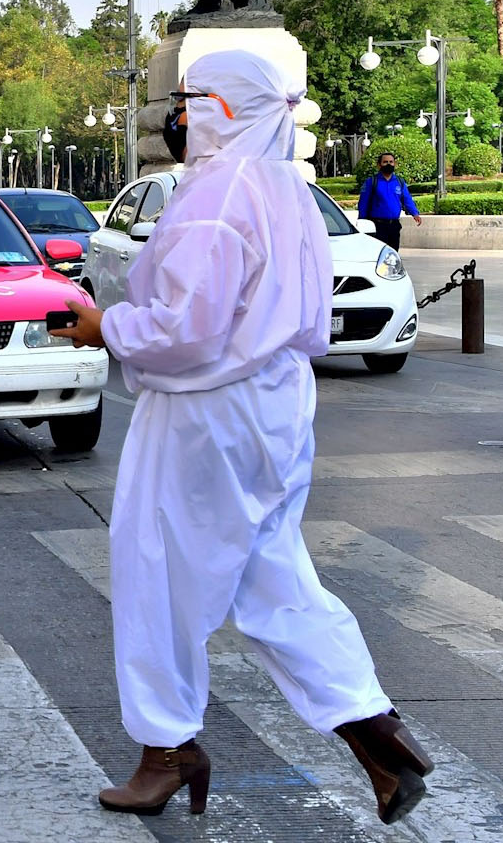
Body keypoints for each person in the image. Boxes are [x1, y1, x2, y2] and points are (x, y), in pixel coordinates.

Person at [52, 51, 434, 825]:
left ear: (223, 109)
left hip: (208, 408)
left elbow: (184, 328)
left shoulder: (217, 196)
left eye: (189, 101)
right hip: (277, 403)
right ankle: (375, 731)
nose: (179, 116)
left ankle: (166, 749)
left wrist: (105, 326)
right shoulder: (291, 191)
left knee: (158, 569)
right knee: (270, 572)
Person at [356, 152, 422, 251]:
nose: (388, 164)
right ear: (379, 165)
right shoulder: (371, 182)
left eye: (391, 162)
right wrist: (362, 221)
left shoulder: (399, 182)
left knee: (393, 254)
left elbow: (407, 198)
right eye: (385, 162)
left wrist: (415, 213)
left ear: (395, 164)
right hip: (377, 226)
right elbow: (363, 203)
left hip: (394, 226)